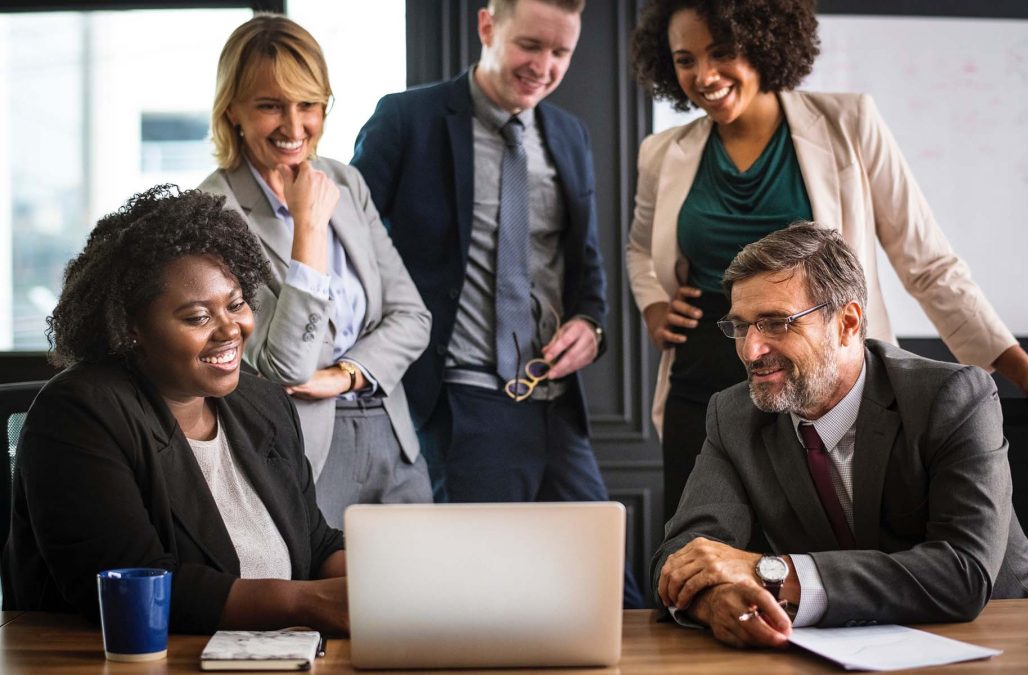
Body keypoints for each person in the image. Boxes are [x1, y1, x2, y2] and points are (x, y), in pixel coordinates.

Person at [626, 0, 1028, 523]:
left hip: (819, 372)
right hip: (703, 371)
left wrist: (1021, 372)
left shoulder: (848, 123)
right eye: (685, 60)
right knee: (700, 543)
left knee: (821, 549)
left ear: (766, 41)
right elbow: (640, 247)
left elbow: (927, 261)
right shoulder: (662, 153)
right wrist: (654, 306)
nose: (704, 76)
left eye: (722, 52)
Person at [653, 222, 1028, 648]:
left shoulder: (951, 397)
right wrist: (716, 600)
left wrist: (772, 572)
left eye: (776, 323)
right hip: (852, 649)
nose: (751, 350)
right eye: (741, 326)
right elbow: (683, 554)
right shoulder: (734, 415)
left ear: (847, 323)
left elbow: (962, 572)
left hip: (1023, 634)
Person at [1, 186, 349, 635]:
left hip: (267, 655)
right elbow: (134, 581)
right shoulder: (79, 414)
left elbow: (314, 544)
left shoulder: (262, 404)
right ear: (132, 328)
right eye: (197, 317)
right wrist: (307, 603)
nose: (230, 329)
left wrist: (386, 577)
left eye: (236, 304)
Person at [351, 0, 608, 508]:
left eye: (561, 51)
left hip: (557, 405)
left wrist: (591, 325)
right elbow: (349, 243)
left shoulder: (569, 134)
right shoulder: (406, 119)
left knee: (608, 583)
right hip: (461, 401)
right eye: (530, 45)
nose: (544, 67)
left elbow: (587, 263)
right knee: (484, 582)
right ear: (487, 26)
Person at [199, 15, 433, 528]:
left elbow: (412, 317)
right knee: (322, 604)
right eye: (270, 106)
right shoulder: (213, 210)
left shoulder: (344, 182)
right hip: (301, 445)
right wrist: (308, 228)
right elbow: (285, 366)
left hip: (390, 433)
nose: (294, 125)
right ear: (233, 110)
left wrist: (344, 375)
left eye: (309, 104)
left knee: (421, 599)